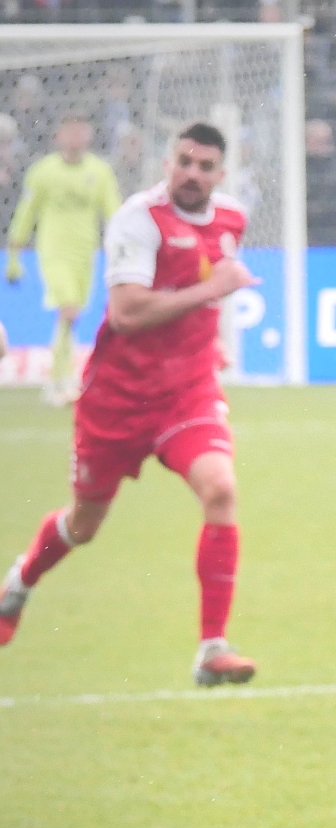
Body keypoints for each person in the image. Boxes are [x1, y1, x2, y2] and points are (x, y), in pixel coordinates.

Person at [0, 124, 260, 686]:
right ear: (168, 163)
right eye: (184, 161)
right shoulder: (138, 219)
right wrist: (211, 292)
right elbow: (126, 314)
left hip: (187, 391)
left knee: (220, 488)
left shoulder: (232, 219)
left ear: (221, 174)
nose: (192, 173)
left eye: (205, 166)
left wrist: (208, 338)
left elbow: (205, 279)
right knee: (84, 524)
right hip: (118, 400)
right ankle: (18, 584)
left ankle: (212, 647)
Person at [6, 115, 120, 406]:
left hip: (85, 254)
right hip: (53, 252)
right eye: (69, 130)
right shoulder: (43, 172)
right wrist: (14, 257)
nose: (75, 136)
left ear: (89, 135)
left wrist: (121, 247)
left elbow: (113, 213)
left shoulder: (100, 171)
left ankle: (60, 378)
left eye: (80, 130)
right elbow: (26, 213)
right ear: (58, 135)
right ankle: (60, 380)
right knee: (68, 310)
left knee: (72, 315)